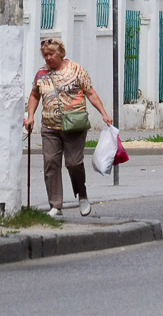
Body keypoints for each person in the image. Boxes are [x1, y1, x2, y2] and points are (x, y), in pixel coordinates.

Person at [25, 37, 112, 218]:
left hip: (74, 125)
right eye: (45, 55)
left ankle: (82, 195)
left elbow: (90, 92)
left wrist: (104, 114)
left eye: (51, 54)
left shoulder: (76, 70)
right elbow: (34, 95)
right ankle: (56, 205)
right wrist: (31, 115)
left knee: (73, 163)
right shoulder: (41, 74)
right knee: (50, 163)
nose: (48, 58)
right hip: (50, 126)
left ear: (61, 53)